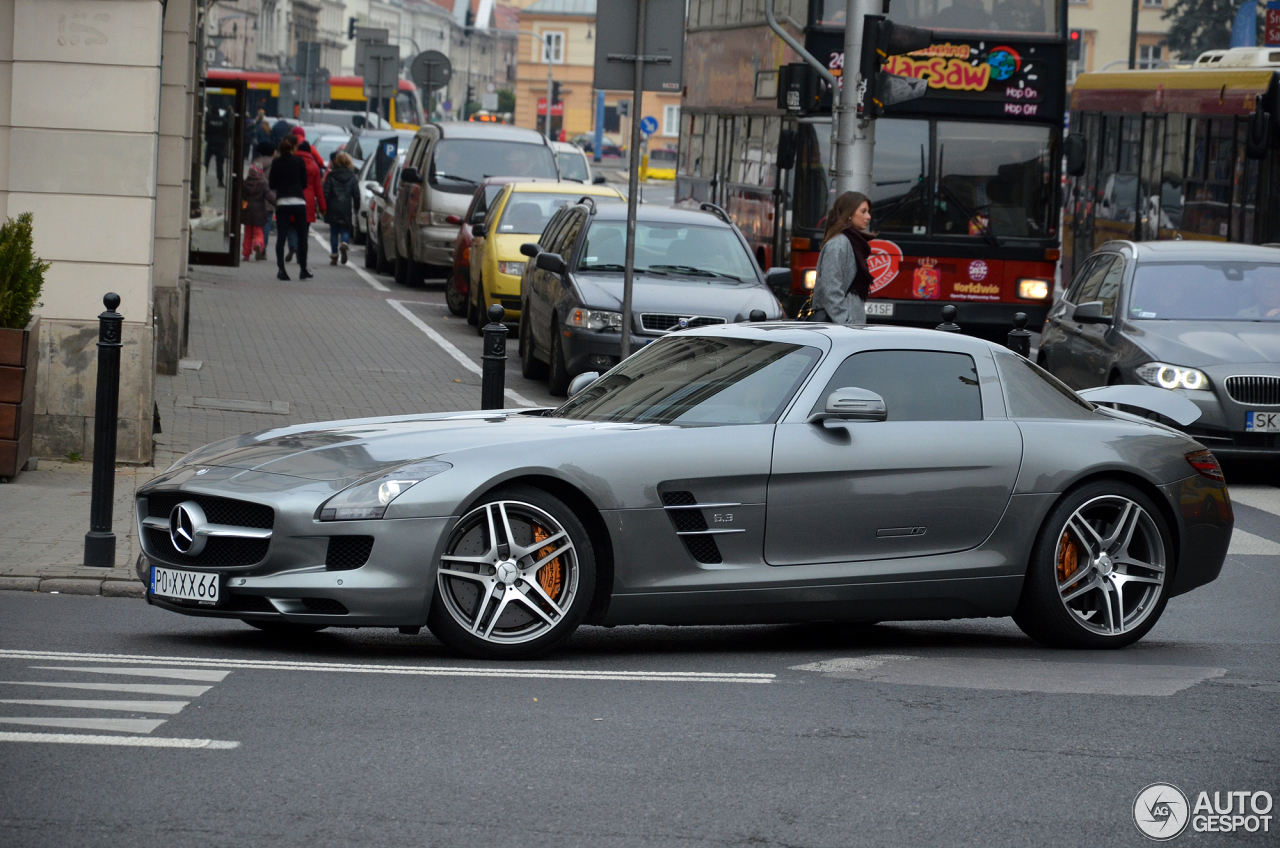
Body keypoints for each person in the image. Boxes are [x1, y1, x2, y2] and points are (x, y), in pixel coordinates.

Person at [811, 191, 875, 324]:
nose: (868, 216)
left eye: (868, 211)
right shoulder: (838, 244)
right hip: (839, 330)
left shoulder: (852, 243)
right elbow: (831, 290)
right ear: (849, 214)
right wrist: (846, 323)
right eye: (863, 211)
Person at [268, 135, 312, 281]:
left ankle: (281, 270)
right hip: (299, 201)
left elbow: (272, 185)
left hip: (282, 202)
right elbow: (304, 183)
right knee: (302, 236)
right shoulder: (299, 161)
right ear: (293, 148)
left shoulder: (276, 162)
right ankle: (303, 269)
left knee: (281, 236)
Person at [323, 152, 359, 265]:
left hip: (333, 206)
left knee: (334, 232)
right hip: (346, 206)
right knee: (345, 229)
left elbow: (326, 192)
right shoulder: (352, 176)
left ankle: (334, 256)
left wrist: (324, 207)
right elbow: (356, 194)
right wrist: (356, 208)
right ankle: (344, 243)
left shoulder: (331, 175)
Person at [241, 158, 270, 261]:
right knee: (258, 232)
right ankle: (258, 244)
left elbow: (241, 195)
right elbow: (269, 196)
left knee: (247, 234)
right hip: (259, 211)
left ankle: (246, 254)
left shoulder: (244, 183)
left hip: (247, 211)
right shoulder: (262, 183)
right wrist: (277, 202)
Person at [251, 141, 276, 252]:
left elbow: (253, 179)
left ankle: (257, 242)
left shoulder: (257, 163)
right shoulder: (275, 163)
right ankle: (263, 248)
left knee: (257, 224)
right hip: (270, 197)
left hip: (257, 197)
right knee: (267, 222)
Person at [203, 107, 229, 188]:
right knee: (220, 165)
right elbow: (227, 133)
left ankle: (203, 180)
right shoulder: (223, 121)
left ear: (211, 112)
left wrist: (208, 139)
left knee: (206, 164)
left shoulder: (208, 120)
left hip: (210, 144)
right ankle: (220, 182)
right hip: (220, 145)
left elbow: (205, 131)